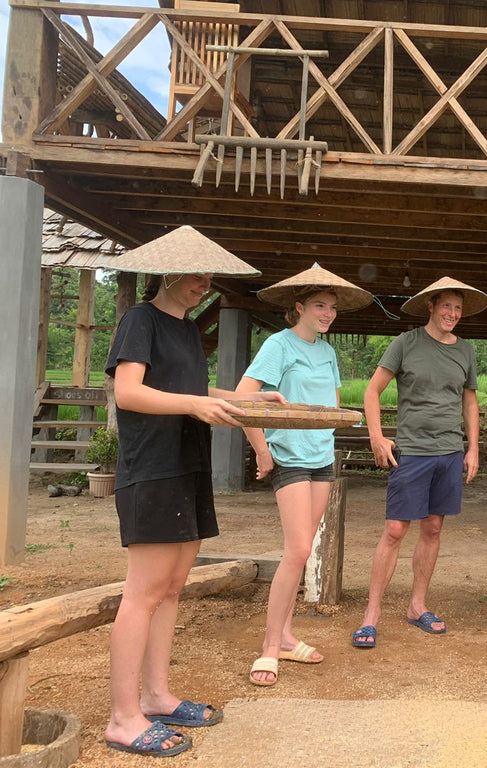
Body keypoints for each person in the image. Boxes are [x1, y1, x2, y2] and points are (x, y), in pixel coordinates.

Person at [102, 228, 284, 757]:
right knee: (144, 593)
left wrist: (249, 401)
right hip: (152, 470)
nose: (204, 284)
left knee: (173, 588)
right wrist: (192, 407)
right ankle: (122, 717)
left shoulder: (184, 331)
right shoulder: (141, 321)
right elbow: (128, 391)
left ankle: (156, 696)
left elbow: (192, 391)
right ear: (169, 272)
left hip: (186, 468)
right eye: (197, 274)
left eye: (209, 276)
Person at [236, 264, 372, 686]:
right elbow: (244, 400)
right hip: (289, 455)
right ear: (299, 308)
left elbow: (330, 408)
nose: (328, 313)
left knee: (304, 550)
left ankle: (288, 637)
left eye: (332, 307)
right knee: (296, 550)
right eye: (319, 306)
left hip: (320, 457)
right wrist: (261, 449)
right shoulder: (279, 345)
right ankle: (270, 647)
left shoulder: (327, 352)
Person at [352, 276, 487, 649]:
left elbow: (470, 402)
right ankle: (372, 615)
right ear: (431, 306)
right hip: (412, 451)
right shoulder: (406, 343)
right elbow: (371, 391)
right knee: (395, 530)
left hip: (449, 452)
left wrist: (472, 448)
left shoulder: (465, 351)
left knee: (433, 529)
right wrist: (377, 437)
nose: (452, 314)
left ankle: (417, 606)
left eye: (458, 309)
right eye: (446, 306)